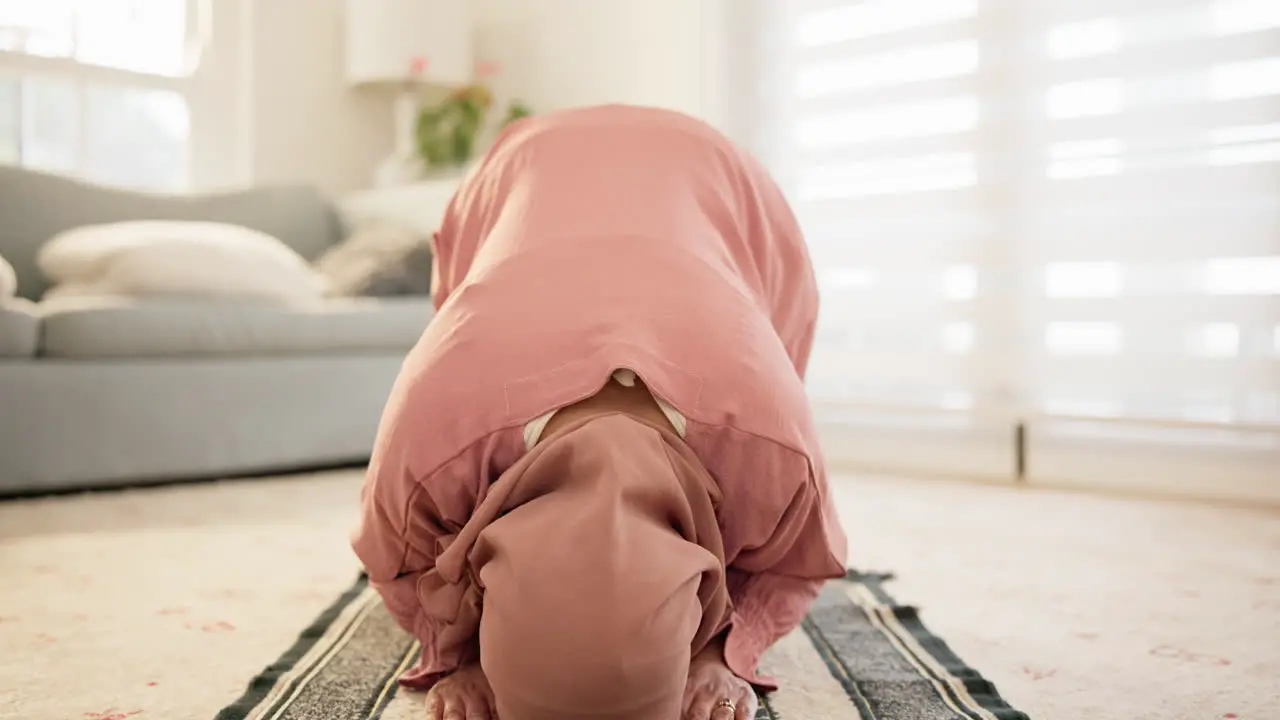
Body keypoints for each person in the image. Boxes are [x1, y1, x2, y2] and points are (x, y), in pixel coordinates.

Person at [351, 104, 848, 720]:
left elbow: (799, 563)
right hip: (521, 172)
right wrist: (459, 656)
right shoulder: (426, 446)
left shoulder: (775, 450)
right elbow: (396, 570)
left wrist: (724, 650)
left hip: (721, 184)